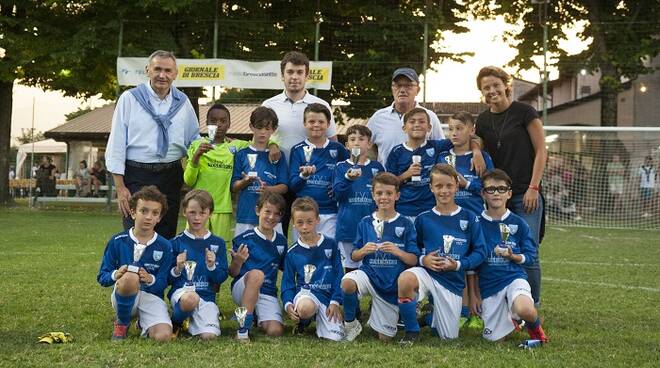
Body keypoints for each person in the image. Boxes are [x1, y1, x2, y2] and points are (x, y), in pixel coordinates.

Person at [106, 50, 200, 239]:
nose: (162, 75)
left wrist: (218, 145)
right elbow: (116, 142)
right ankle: (135, 269)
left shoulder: (183, 103)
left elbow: (194, 140)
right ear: (147, 70)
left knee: (165, 235)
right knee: (137, 235)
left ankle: (162, 269)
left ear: (175, 74)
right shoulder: (130, 99)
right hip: (136, 175)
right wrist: (120, 187)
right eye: (157, 69)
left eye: (168, 70)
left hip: (170, 176)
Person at [474, 66, 547, 306]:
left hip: (525, 193)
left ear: (507, 85)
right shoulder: (483, 120)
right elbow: (478, 143)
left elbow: (541, 151)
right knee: (497, 250)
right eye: (486, 87)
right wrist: (476, 150)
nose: (492, 90)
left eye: (496, 85)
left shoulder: (525, 112)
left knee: (528, 251)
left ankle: (531, 306)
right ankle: (504, 303)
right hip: (497, 196)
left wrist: (533, 187)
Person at [397, 164, 487, 345]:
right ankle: (411, 332)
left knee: (448, 337)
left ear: (456, 186)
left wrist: (459, 265)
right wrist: (424, 259)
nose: (444, 191)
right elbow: (413, 249)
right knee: (405, 279)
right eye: (438, 186)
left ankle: (431, 317)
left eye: (448, 186)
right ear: (431, 187)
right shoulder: (423, 218)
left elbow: (480, 252)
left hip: (452, 283)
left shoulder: (469, 218)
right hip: (428, 275)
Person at [262, 51, 338, 238]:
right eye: (290, 72)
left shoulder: (320, 105)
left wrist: (335, 180)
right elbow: (260, 138)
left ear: (307, 75)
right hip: (277, 180)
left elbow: (334, 145)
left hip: (309, 183)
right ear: (282, 75)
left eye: (299, 72)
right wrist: (271, 144)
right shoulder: (269, 105)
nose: (294, 77)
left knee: (307, 233)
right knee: (273, 234)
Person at [468, 169, 547, 344]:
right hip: (488, 286)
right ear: (483, 193)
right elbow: (472, 265)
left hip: (513, 278)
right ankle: (511, 318)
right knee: (494, 341)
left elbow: (530, 256)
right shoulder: (475, 224)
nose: (496, 193)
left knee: (525, 308)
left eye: (501, 189)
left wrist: (514, 257)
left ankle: (535, 329)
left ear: (509, 193)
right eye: (491, 189)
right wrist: (474, 294)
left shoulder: (519, 223)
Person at [185, 103, 280, 242]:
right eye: (213, 121)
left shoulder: (237, 146)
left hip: (222, 209)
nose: (218, 124)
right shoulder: (196, 145)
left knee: (219, 250)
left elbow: (260, 140)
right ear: (206, 123)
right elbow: (188, 181)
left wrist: (273, 145)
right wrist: (196, 157)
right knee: (192, 247)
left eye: (223, 121)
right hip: (197, 208)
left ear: (229, 124)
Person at [341, 172, 419, 342]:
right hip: (369, 275)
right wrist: (363, 251)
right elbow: (353, 256)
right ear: (373, 196)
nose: (384, 197)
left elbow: (413, 259)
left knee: (384, 338)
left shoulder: (405, 223)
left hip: (391, 285)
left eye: (389, 193)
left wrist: (397, 252)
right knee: (347, 282)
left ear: (397, 195)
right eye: (379, 193)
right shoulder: (365, 222)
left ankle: (388, 316)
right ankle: (350, 323)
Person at [96, 186, 173, 341]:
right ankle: (122, 323)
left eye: (155, 213)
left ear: (159, 218)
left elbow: (164, 281)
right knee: (130, 277)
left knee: (163, 337)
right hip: (124, 293)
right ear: (132, 213)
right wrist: (115, 275)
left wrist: (150, 279)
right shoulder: (117, 241)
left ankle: (142, 321)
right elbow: (102, 276)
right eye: (143, 211)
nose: (149, 217)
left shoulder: (165, 246)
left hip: (152, 297)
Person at [387, 108, 485, 223]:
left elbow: (466, 139)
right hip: (404, 209)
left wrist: (476, 151)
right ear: (404, 128)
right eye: (412, 121)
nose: (417, 125)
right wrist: (406, 175)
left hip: (430, 209)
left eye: (421, 121)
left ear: (429, 128)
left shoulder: (436, 146)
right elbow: (388, 183)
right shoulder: (396, 152)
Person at [281, 197, 345, 341]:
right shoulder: (292, 252)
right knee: (305, 308)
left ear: (317, 220)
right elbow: (288, 283)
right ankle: (303, 321)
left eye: (309, 222)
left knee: (336, 338)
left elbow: (339, 275)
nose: (305, 227)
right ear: (293, 224)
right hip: (306, 295)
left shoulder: (331, 245)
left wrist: (335, 301)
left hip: (328, 297)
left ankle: (325, 318)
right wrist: (288, 304)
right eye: (300, 222)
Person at [168, 189, 229, 340]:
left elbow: (221, 277)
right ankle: (176, 321)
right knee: (190, 299)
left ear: (210, 213)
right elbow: (167, 279)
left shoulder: (218, 243)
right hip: (183, 294)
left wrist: (212, 265)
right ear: (184, 212)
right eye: (192, 212)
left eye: (202, 213)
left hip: (206, 298)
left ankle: (188, 320)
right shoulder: (175, 243)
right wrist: (177, 269)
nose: (197, 218)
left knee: (209, 336)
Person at [229, 192, 289, 341]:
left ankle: (255, 315)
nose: (271, 217)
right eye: (267, 211)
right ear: (258, 211)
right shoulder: (243, 239)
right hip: (243, 288)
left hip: (267, 292)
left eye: (276, 214)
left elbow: (285, 268)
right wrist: (238, 261)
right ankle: (243, 329)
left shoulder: (281, 241)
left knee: (275, 331)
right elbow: (232, 272)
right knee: (257, 274)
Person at [289, 103, 349, 240]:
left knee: (327, 253)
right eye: (311, 121)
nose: (316, 125)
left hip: (330, 212)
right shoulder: (297, 150)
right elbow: (293, 185)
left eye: (321, 121)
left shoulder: (338, 149)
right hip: (303, 214)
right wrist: (303, 176)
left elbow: (347, 176)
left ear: (328, 124)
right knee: (303, 253)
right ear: (304, 123)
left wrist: (338, 187)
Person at [367, 67, 445, 167]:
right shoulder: (378, 118)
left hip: (423, 181)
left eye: (408, 85)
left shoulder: (430, 117)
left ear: (418, 90)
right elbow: (365, 148)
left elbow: (442, 150)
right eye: (398, 85)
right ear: (392, 88)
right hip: (388, 181)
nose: (402, 90)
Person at [332, 125, 385, 272]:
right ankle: (351, 295)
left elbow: (383, 197)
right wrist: (348, 178)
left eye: (361, 139)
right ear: (347, 145)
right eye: (352, 139)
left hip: (371, 227)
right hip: (348, 227)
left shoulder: (377, 167)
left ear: (369, 144)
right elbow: (337, 194)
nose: (357, 142)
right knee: (350, 271)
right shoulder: (341, 167)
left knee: (373, 268)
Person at [231, 106, 288, 236]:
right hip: (246, 216)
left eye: (267, 128)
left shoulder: (278, 155)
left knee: (272, 255)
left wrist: (269, 190)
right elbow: (234, 187)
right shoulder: (241, 154)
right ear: (251, 127)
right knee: (243, 254)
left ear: (274, 130)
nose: (263, 132)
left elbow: (284, 187)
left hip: (272, 218)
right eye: (259, 127)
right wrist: (244, 182)